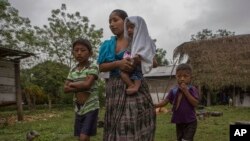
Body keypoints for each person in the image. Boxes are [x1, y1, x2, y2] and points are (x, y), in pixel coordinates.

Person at [98, 9, 156, 141]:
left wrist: (139, 60)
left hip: (136, 85)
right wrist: (119, 63)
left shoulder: (139, 39)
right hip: (115, 88)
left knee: (135, 121)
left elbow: (153, 62)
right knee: (118, 124)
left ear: (125, 21)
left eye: (115, 20)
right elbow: (101, 67)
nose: (112, 24)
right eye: (109, 22)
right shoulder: (107, 45)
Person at [64, 38, 99, 141]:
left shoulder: (93, 67)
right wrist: (81, 84)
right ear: (73, 53)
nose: (79, 53)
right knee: (81, 137)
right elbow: (65, 89)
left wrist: (72, 85)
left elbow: (87, 85)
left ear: (90, 53)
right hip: (78, 109)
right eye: (76, 50)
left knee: (83, 137)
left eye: (83, 50)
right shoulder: (73, 70)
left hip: (91, 107)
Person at [154, 63, 199, 141]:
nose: (182, 78)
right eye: (179, 76)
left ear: (191, 78)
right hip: (179, 122)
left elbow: (195, 103)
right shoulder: (174, 90)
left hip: (191, 122)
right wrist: (155, 105)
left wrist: (186, 91)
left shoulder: (192, 89)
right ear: (176, 77)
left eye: (185, 76)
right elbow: (165, 101)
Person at [120, 16, 156, 95]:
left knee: (137, 73)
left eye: (132, 27)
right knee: (122, 73)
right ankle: (131, 85)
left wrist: (141, 59)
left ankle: (136, 87)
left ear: (140, 28)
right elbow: (128, 52)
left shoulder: (147, 41)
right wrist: (127, 58)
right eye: (127, 28)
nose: (129, 30)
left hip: (138, 66)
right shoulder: (130, 42)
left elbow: (154, 61)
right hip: (130, 64)